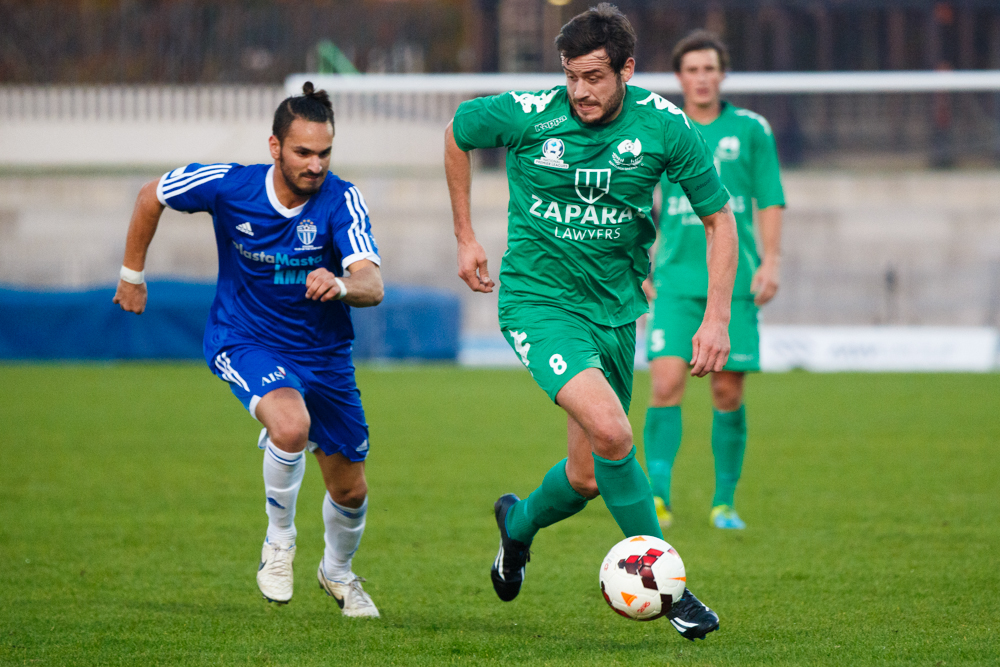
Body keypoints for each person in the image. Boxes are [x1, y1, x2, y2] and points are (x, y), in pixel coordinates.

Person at [444, 4, 737, 641]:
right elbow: (459, 132)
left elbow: (720, 219)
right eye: (571, 75)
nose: (580, 90)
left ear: (627, 70)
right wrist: (466, 236)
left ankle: (516, 527)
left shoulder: (665, 128)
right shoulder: (530, 112)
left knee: (585, 476)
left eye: (595, 77)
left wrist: (716, 319)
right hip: (538, 302)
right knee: (614, 432)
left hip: (615, 311)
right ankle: (673, 589)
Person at [113, 83, 384, 617]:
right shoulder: (228, 186)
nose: (315, 165)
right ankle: (278, 544)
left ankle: (337, 573)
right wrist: (132, 274)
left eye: (325, 153)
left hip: (324, 354)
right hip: (244, 338)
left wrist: (342, 284)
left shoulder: (341, 200)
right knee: (289, 425)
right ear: (274, 147)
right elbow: (151, 196)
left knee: (350, 492)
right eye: (303, 152)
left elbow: (372, 284)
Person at [642, 31, 785, 531]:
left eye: (710, 69)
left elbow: (769, 197)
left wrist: (771, 261)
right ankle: (657, 499)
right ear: (679, 77)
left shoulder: (750, 130)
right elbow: (637, 201)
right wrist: (640, 264)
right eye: (692, 69)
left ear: (722, 75)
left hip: (736, 281)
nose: (701, 78)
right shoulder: (660, 127)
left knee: (727, 391)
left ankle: (724, 503)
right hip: (676, 280)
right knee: (665, 383)